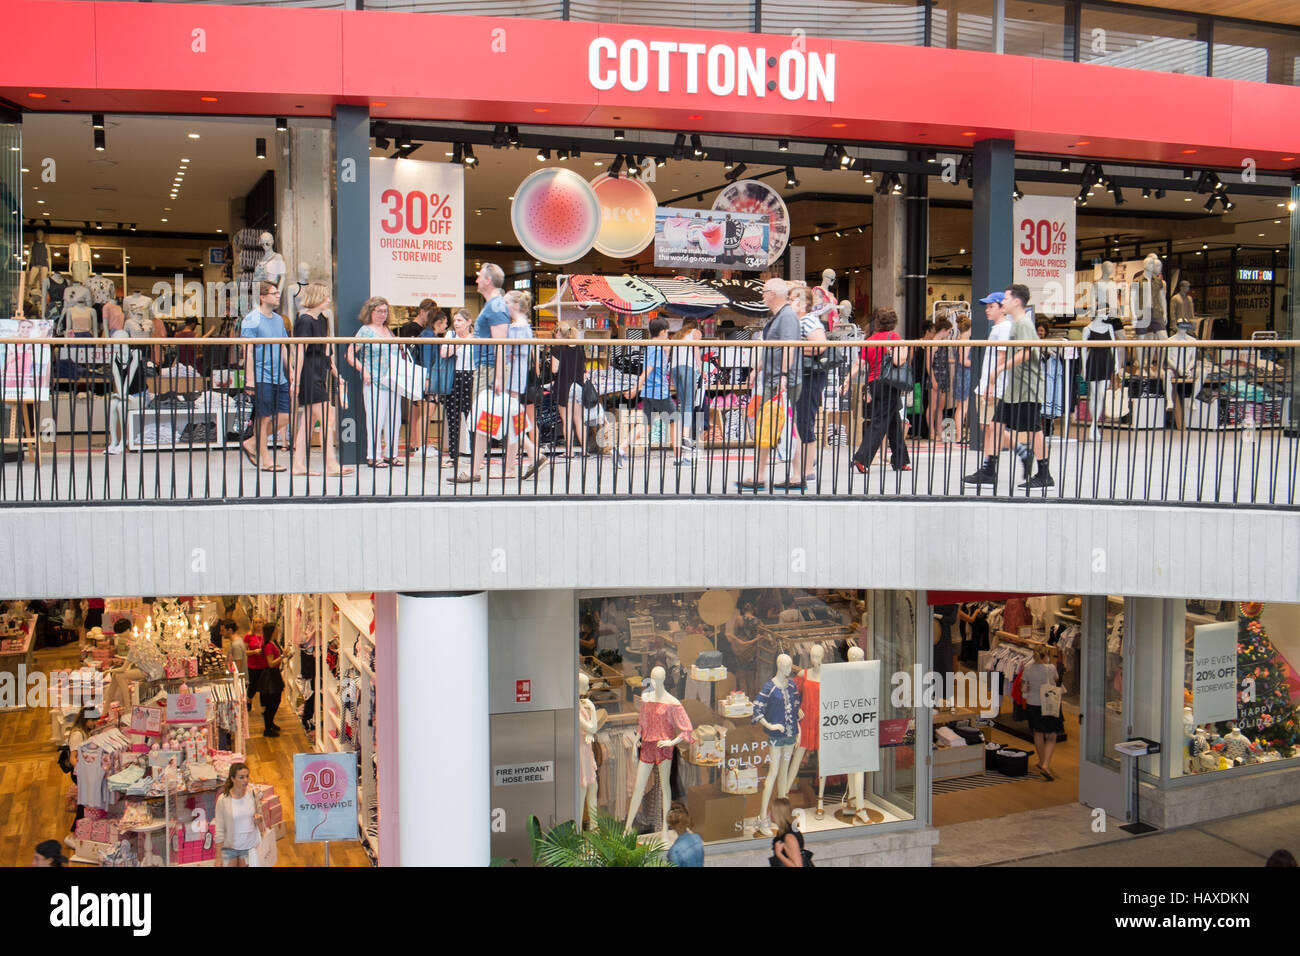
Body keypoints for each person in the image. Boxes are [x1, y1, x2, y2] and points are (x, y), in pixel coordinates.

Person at [739, 278, 802, 490]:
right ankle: (762, 475)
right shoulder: (779, 317)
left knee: (782, 426)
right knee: (768, 424)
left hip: (780, 381)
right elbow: (776, 348)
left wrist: (783, 375)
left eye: (764, 292)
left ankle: (794, 475)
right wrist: (758, 369)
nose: (762, 295)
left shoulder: (786, 317)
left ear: (773, 294)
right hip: (774, 378)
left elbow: (789, 347)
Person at [453, 263, 510, 484]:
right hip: (488, 369)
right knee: (487, 419)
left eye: (479, 277)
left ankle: (474, 470)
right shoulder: (494, 305)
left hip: (488, 370)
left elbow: (500, 343)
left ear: (488, 280)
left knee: (483, 419)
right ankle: (533, 453)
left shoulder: (495, 307)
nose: (475, 280)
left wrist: (497, 376)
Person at [993, 284, 1052, 489]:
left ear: (1017, 301)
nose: (1003, 302)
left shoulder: (1023, 324)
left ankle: (1044, 474)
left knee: (1034, 430)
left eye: (1007, 298)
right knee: (996, 424)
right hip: (1016, 388)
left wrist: (1000, 369)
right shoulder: (1017, 324)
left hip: (1028, 387)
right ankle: (990, 468)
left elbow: (1026, 352)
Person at [291, 282, 352, 478]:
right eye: (326, 296)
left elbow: (327, 350)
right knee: (328, 418)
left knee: (308, 422)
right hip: (309, 374)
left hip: (319, 372)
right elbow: (300, 351)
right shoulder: (305, 321)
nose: (328, 300)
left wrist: (335, 373)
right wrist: (297, 381)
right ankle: (331, 464)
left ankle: (298, 465)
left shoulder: (322, 320)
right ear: (318, 297)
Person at [846, 307, 911, 475]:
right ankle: (862, 458)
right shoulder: (894, 337)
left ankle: (901, 460)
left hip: (874, 383)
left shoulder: (870, 340)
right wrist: (904, 348)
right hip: (889, 383)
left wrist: (847, 380)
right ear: (894, 322)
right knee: (880, 421)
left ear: (877, 322)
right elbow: (897, 362)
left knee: (893, 420)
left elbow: (859, 364)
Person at [240, 281, 293, 473]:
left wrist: (291, 371)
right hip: (262, 375)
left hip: (280, 376)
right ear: (262, 297)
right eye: (274, 293)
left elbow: (282, 346)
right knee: (264, 419)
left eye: (278, 293)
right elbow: (248, 351)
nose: (278, 296)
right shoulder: (251, 319)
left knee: (285, 416)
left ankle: (252, 443)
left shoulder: (278, 320)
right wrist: (250, 379)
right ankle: (266, 459)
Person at [963, 291, 1013, 485]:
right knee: (989, 427)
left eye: (991, 306)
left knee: (993, 428)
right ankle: (991, 465)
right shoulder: (998, 328)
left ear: (1002, 307)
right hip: (988, 384)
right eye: (987, 306)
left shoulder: (1004, 328)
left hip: (993, 385)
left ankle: (989, 468)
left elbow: (1001, 358)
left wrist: (991, 384)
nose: (987, 309)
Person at [346, 296, 401, 468]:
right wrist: (364, 370)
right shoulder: (365, 331)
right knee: (375, 418)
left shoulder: (389, 331)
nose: (382, 314)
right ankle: (373, 455)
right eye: (379, 311)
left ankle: (391, 454)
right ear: (371, 312)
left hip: (392, 381)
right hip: (375, 380)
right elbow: (349, 354)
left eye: (385, 311)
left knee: (394, 419)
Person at [618, 316, 678, 470]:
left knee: (646, 425)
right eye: (667, 332)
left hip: (649, 391)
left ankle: (621, 448)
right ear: (663, 331)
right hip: (659, 391)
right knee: (674, 421)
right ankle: (678, 458)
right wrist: (634, 389)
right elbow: (647, 371)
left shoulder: (652, 346)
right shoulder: (657, 349)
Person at [502, 290, 546, 480]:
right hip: (516, 378)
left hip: (513, 379)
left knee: (512, 419)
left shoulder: (518, 328)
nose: (503, 307)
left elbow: (509, 353)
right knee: (513, 419)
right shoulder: (522, 327)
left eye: (506, 303)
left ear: (516, 306)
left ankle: (531, 454)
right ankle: (512, 465)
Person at [791, 285, 829, 489]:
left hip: (810, 375)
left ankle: (808, 468)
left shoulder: (808, 320)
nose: (790, 302)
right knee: (802, 419)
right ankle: (806, 464)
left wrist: (794, 348)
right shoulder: (799, 321)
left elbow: (820, 345)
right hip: (804, 375)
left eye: (794, 298)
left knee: (805, 418)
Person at [440, 308, 475, 468]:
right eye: (454, 321)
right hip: (454, 377)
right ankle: (453, 456)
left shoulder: (477, 336)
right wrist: (460, 343)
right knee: (453, 417)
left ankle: (476, 455)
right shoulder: (450, 336)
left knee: (472, 418)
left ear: (469, 322)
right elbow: (444, 353)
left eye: (460, 320)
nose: (456, 324)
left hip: (471, 376)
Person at [1022, 644, 1063, 780]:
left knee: (1038, 733)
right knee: (1051, 735)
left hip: (1032, 704)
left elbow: (1023, 686)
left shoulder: (1028, 669)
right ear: (1046, 655)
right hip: (1049, 703)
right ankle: (1045, 764)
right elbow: (1056, 681)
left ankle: (1041, 762)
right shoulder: (1051, 668)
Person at [214, 763, 265, 867]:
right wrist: (218, 857)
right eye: (241, 777)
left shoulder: (252, 794)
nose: (246, 780)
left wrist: (258, 820)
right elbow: (219, 829)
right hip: (230, 848)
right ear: (232, 779)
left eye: (247, 776)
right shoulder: (223, 800)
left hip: (249, 846)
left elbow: (260, 818)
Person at [550, 319, 587, 458]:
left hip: (565, 386)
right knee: (579, 420)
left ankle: (569, 451)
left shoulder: (557, 348)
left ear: (559, 332)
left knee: (567, 420)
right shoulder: (579, 347)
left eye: (555, 333)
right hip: (578, 386)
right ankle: (584, 450)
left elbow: (554, 370)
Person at [669, 320, 702, 460]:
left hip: (674, 368)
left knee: (682, 403)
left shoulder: (678, 334)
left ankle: (682, 435)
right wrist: (700, 368)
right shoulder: (696, 332)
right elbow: (696, 350)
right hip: (688, 367)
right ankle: (685, 438)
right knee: (689, 402)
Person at [259, 622, 286, 737]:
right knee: (272, 702)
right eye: (276, 630)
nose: (278, 632)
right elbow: (270, 663)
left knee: (275, 701)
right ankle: (267, 728)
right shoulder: (269, 646)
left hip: (273, 675)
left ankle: (270, 723)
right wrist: (282, 656)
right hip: (270, 676)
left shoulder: (273, 643)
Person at [952, 315, 973, 443]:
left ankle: (959, 435)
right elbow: (964, 360)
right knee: (963, 406)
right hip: (965, 374)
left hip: (960, 374)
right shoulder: (966, 341)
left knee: (960, 406)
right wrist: (976, 363)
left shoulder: (958, 339)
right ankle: (960, 436)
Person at [769, 797, 805, 867]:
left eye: (771, 810)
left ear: (778, 814)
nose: (769, 813)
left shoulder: (789, 836)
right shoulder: (785, 830)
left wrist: (779, 854)